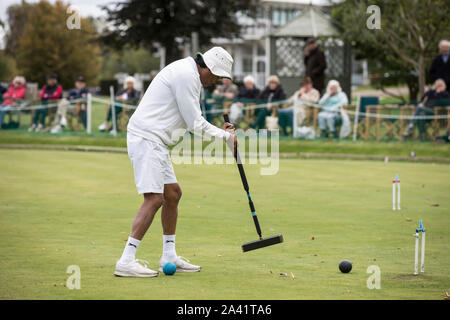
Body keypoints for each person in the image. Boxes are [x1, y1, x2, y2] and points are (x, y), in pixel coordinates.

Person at [114, 47, 237, 278]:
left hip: (158, 142)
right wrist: (226, 137)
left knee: (172, 194)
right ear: (208, 68)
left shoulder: (190, 75)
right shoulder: (185, 75)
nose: (218, 80)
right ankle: (126, 261)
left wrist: (223, 134)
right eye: (218, 75)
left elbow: (193, 118)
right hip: (147, 137)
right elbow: (195, 124)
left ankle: (168, 256)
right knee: (154, 198)